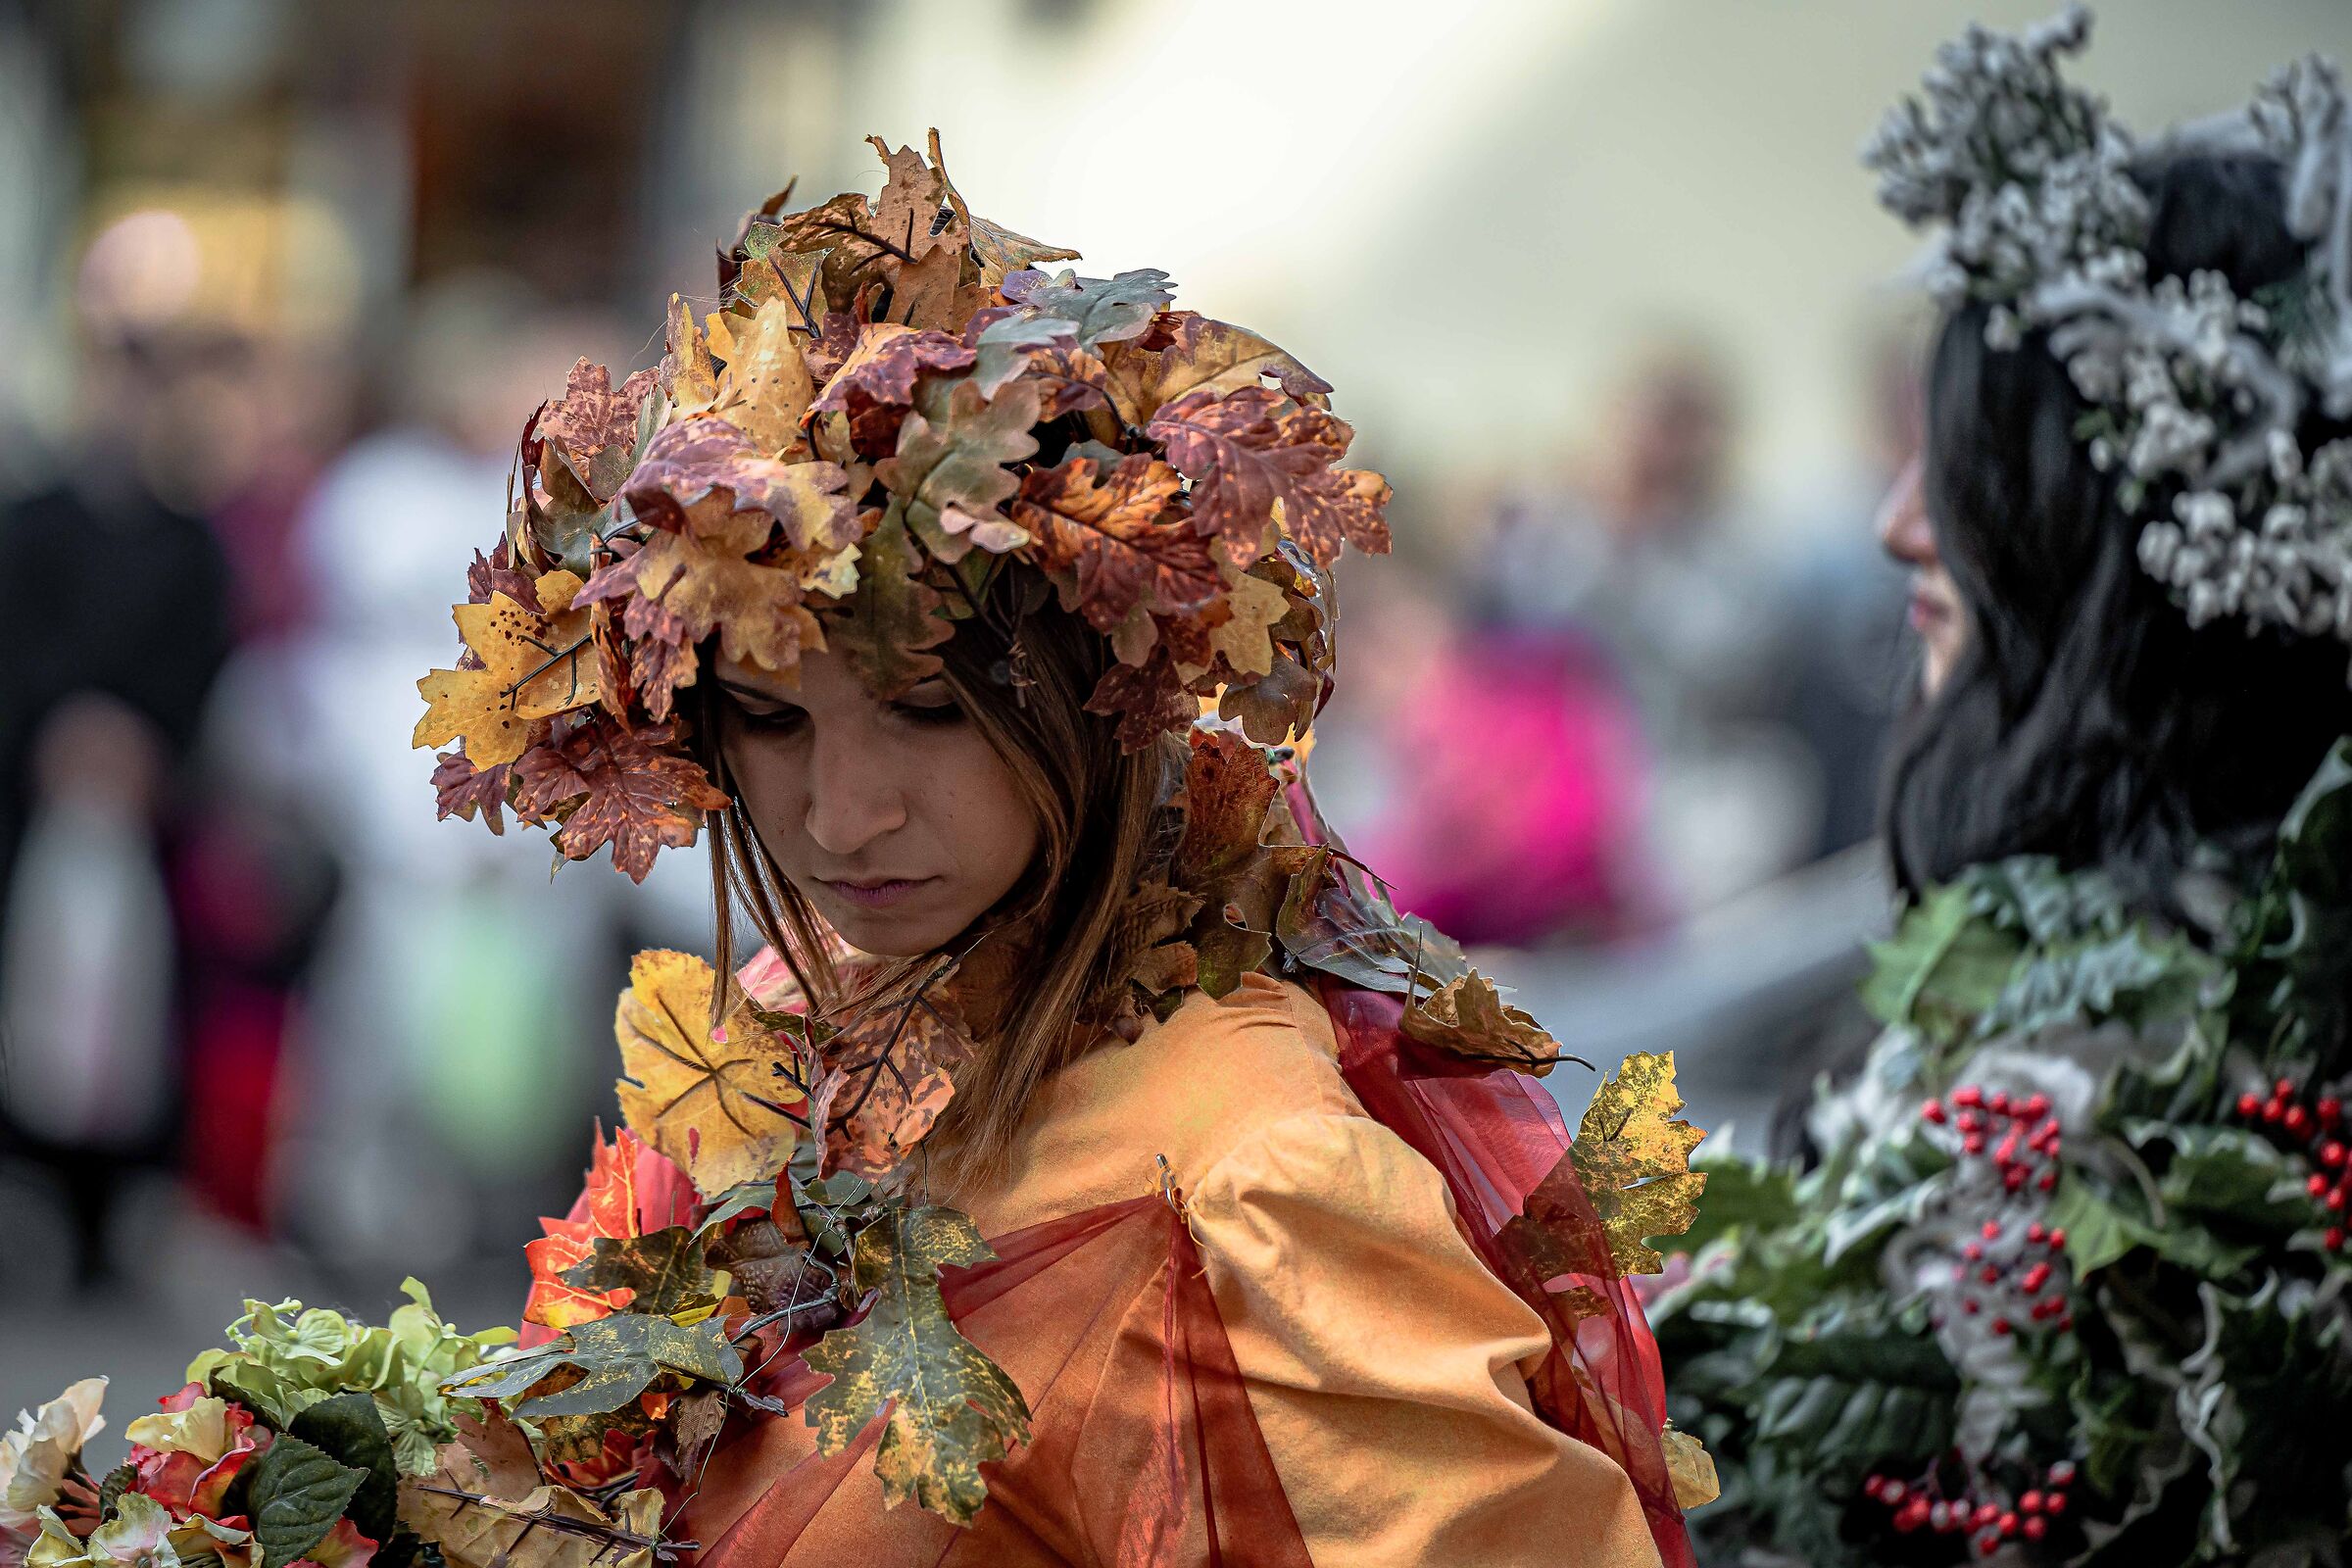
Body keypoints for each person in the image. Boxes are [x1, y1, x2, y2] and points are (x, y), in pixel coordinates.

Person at [414, 139, 1709, 1564]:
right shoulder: (790, 1023)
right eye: (772, 722)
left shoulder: (1251, 1176)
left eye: (928, 712)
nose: (844, 816)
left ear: (1099, 697)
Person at [1656, 13, 2352, 1565]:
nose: (1904, 522)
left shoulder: (2110, 1086)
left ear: (2125, 542)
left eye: (1969, 464)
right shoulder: (2238, 986)